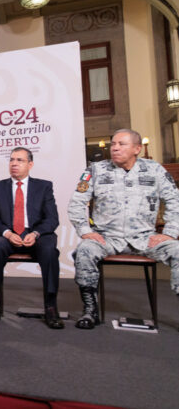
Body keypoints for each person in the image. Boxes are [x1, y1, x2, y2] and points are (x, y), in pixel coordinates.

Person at [69, 129, 179, 329]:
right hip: (107, 238)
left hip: (145, 238)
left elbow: (174, 199)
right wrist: (85, 230)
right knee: (85, 250)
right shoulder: (95, 170)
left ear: (137, 149)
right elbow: (77, 202)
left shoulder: (154, 170)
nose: (115, 148)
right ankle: (89, 310)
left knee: (177, 250)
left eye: (122, 144)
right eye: (113, 144)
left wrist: (169, 232)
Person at [0, 147, 63, 329]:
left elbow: (52, 219)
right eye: (11, 160)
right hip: (8, 234)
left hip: (36, 234)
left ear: (30, 164)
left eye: (19, 160)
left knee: (49, 250)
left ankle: (51, 306)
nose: (14, 164)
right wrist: (8, 233)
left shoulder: (44, 186)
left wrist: (35, 234)